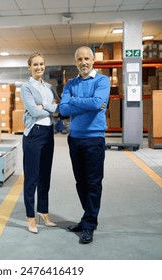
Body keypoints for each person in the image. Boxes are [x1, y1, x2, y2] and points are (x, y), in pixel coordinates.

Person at [59, 46, 110, 244]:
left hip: (94, 139)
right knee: (80, 182)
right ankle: (88, 217)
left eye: (87, 58)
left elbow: (98, 103)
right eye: (79, 59)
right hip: (75, 138)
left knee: (93, 182)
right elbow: (63, 109)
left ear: (93, 60)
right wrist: (87, 103)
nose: (83, 62)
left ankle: (89, 223)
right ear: (76, 62)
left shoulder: (102, 80)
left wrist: (75, 103)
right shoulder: (70, 84)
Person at [20, 52, 59, 234]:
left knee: (45, 176)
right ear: (29, 67)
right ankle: (30, 217)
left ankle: (43, 212)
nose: (39, 68)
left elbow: (58, 107)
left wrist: (45, 108)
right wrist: (46, 109)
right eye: (35, 64)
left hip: (48, 132)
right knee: (32, 178)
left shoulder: (49, 87)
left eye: (41, 64)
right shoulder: (26, 88)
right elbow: (34, 113)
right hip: (33, 134)